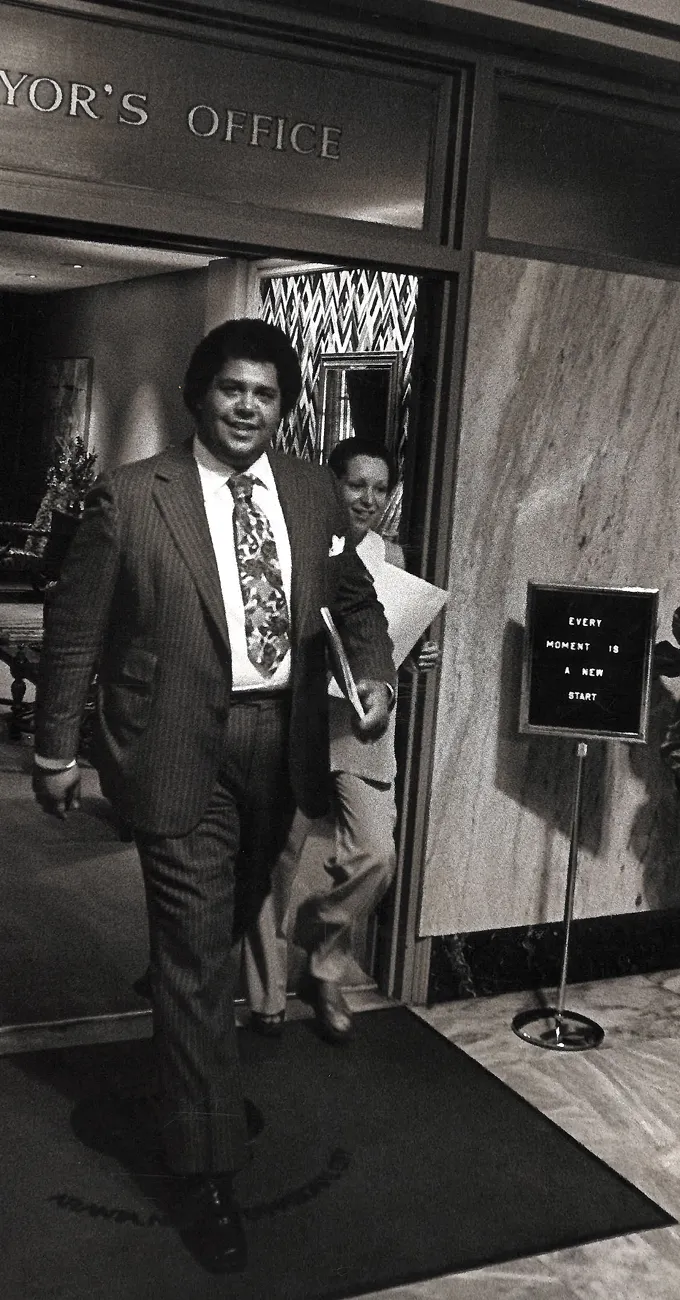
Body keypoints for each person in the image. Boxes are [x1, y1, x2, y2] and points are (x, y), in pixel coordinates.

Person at [32, 322, 395, 1275]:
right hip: (174, 746)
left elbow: (353, 598)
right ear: (201, 396)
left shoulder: (314, 490)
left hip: (285, 747)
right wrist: (55, 748)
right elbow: (76, 628)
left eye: (267, 394)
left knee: (226, 923)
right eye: (233, 390)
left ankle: (178, 995)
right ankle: (207, 1171)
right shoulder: (132, 495)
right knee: (199, 960)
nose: (248, 407)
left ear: (285, 406)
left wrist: (374, 670)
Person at [243, 436, 440, 1044]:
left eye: (381, 489)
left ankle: (322, 958)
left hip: (361, 725)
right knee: (274, 855)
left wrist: (415, 658)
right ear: (332, 484)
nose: (369, 499)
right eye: (358, 485)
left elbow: (390, 638)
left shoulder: (395, 555)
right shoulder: (296, 539)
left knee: (375, 855)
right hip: (299, 718)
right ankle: (267, 987)